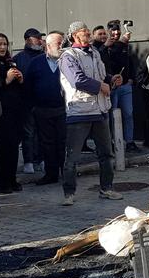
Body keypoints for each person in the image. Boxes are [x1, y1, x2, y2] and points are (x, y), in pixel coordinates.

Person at [58, 21, 122, 206]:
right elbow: (77, 80)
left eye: (87, 30)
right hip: (79, 113)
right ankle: (69, 193)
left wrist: (111, 79)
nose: (87, 33)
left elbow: (101, 75)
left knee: (106, 154)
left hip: (100, 110)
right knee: (72, 157)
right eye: (83, 31)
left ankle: (106, 188)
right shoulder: (67, 56)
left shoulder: (95, 52)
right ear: (74, 36)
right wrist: (100, 86)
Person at [25, 31, 66, 185]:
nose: (62, 47)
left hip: (63, 109)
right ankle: (51, 174)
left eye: (63, 43)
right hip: (43, 110)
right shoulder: (36, 63)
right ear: (48, 46)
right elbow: (28, 85)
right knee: (47, 143)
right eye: (58, 44)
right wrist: (34, 107)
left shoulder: (67, 61)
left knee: (63, 142)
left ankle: (66, 173)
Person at [0, 33, 24, 193]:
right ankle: (5, 182)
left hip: (15, 110)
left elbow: (19, 88)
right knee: (5, 146)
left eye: (5, 44)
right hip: (0, 111)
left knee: (13, 146)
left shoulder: (9, 61)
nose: (2, 48)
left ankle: (12, 179)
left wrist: (20, 80)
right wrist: (6, 80)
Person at [101, 20, 138, 152]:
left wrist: (132, 78)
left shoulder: (123, 45)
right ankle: (112, 142)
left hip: (126, 86)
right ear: (108, 31)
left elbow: (129, 62)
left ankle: (129, 141)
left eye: (118, 30)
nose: (116, 32)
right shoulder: (105, 46)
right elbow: (109, 60)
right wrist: (121, 43)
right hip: (112, 87)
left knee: (128, 114)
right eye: (113, 30)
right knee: (112, 115)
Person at [13, 28, 45, 174]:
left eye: (40, 38)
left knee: (42, 132)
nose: (39, 40)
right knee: (28, 133)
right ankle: (29, 161)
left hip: (43, 101)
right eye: (36, 38)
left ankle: (41, 159)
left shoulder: (45, 56)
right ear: (27, 40)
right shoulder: (19, 58)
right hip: (26, 102)